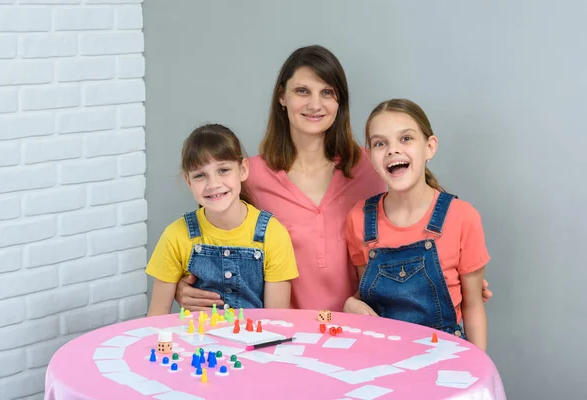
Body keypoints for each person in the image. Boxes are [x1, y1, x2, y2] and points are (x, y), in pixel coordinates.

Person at [174, 45, 492, 312]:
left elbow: (431, 215)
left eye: (327, 92)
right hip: (282, 338)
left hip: (364, 332)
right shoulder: (247, 176)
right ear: (281, 96)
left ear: (339, 102)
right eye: (302, 91)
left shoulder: (374, 164)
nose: (315, 104)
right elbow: (209, 242)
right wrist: (183, 286)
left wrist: (456, 277)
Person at [344, 99, 489, 350]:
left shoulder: (463, 217)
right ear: (370, 156)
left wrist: (479, 371)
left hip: (445, 360)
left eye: (406, 139)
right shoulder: (358, 219)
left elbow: (473, 305)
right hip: (380, 359)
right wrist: (352, 305)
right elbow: (368, 295)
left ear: (429, 147)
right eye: (380, 143)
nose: (392, 150)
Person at [146, 124, 299, 316]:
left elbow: (276, 319)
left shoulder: (272, 234)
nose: (214, 184)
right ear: (188, 182)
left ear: (243, 169)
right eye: (200, 175)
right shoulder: (176, 235)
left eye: (223, 170)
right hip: (198, 343)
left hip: (255, 342)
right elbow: (157, 315)